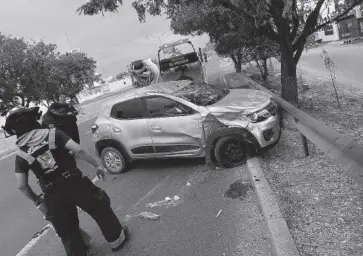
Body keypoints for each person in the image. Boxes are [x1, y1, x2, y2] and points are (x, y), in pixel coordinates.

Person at [3, 106, 130, 256]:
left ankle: (80, 252)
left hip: (52, 194)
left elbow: (22, 186)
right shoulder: (53, 134)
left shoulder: (20, 154)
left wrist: (37, 201)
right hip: (75, 183)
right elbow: (79, 150)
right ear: (33, 120)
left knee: (66, 229)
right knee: (99, 207)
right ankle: (117, 240)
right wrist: (97, 165)